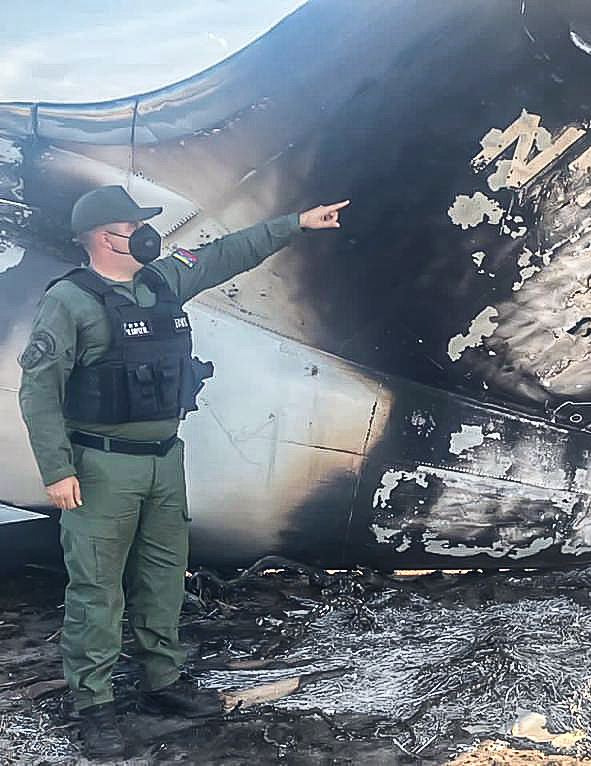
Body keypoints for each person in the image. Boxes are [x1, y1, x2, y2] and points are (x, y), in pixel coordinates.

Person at [17, 185, 349, 760]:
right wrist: (57, 469)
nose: (146, 234)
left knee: (164, 576)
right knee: (97, 587)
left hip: (164, 461)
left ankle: (162, 682)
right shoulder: (69, 301)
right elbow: (38, 391)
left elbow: (225, 253)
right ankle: (93, 706)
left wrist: (296, 222)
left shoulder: (162, 281)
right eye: (133, 227)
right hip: (101, 467)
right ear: (103, 237)